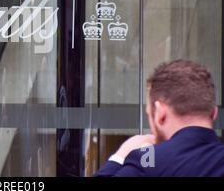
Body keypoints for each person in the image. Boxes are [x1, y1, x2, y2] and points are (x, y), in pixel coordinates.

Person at [95, 59, 224, 177]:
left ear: (160, 114)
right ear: (214, 113)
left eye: (149, 113)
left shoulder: (148, 159)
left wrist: (120, 156)